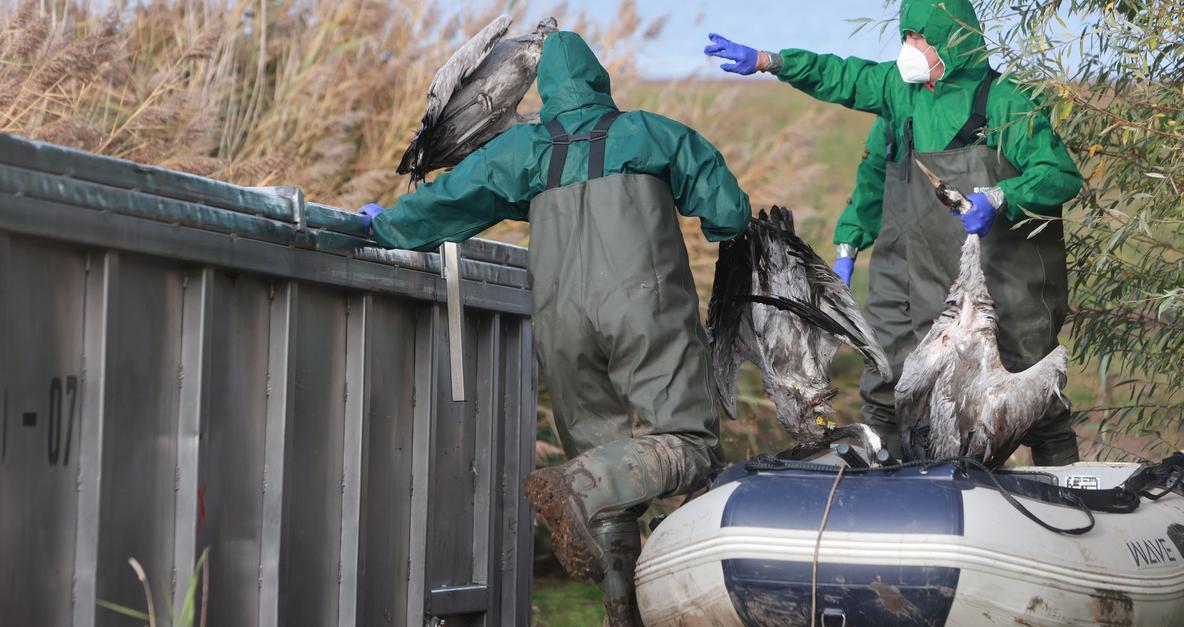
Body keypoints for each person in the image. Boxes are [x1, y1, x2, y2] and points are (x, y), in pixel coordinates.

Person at [362, 30, 750, 626]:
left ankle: (622, 614)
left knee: (610, 485)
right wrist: (725, 237)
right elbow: (726, 208)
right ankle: (581, 483)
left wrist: (388, 227)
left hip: (562, 324)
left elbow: (452, 201)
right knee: (687, 445)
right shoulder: (650, 132)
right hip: (645, 312)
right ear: (601, 81)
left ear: (545, 92)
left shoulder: (524, 149)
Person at [704, 0, 1082, 466]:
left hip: (999, 278)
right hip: (911, 271)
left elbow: (1060, 175)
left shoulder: (1004, 101)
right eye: (906, 37)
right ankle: (899, 485)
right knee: (893, 382)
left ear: (954, 38)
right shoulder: (900, 96)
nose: (910, 48)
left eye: (920, 37)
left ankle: (1066, 482)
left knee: (1025, 386)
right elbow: (845, 81)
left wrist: (1001, 197)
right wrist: (770, 61)